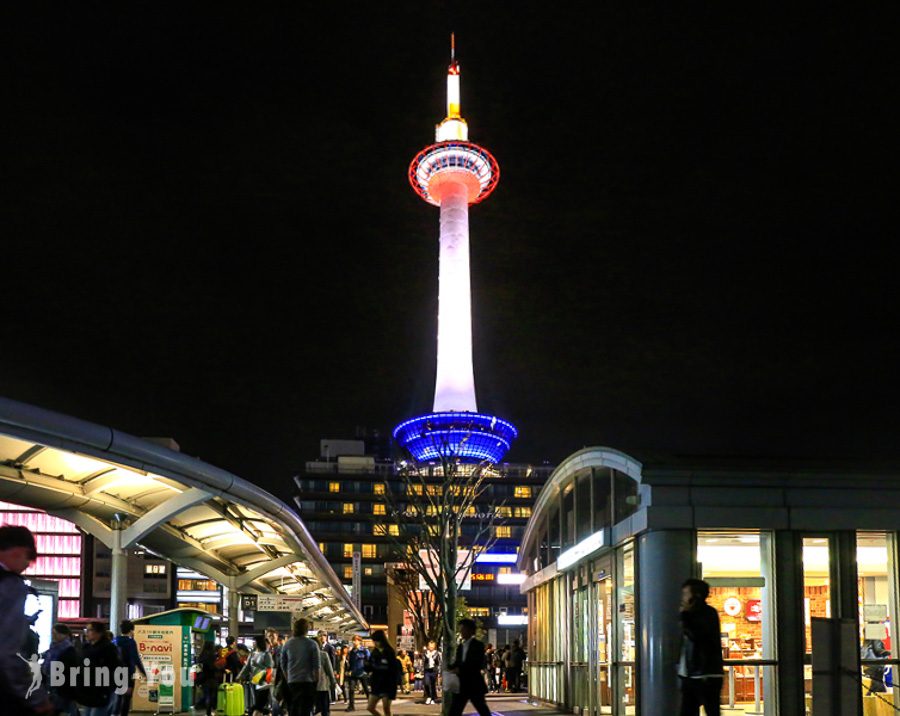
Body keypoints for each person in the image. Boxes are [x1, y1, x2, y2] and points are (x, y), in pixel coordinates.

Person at [0, 525, 53, 715]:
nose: (27, 565)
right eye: (28, 558)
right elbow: (7, 651)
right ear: (17, 552)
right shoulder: (10, 584)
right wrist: (36, 697)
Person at [678, 578, 724, 716]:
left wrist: (684, 616)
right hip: (691, 675)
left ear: (695, 597)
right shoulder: (695, 615)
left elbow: (698, 637)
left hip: (705, 675)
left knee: (711, 711)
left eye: (686, 594)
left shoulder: (707, 613)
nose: (683, 598)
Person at [77, 621, 123, 716]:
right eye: (87, 630)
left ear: (99, 632)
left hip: (102, 689)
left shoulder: (109, 648)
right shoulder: (86, 647)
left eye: (90, 630)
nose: (87, 633)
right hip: (88, 690)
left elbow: (116, 667)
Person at [447, 619, 491, 716]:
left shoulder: (478, 645)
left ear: (471, 631)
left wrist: (460, 669)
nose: (461, 631)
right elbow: (458, 662)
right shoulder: (461, 647)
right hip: (462, 684)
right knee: (455, 710)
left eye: (463, 629)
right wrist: (450, 667)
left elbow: (477, 663)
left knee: (482, 708)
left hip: (474, 683)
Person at [281, 618, 320, 716]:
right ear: (306, 629)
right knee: (306, 709)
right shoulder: (312, 644)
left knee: (293, 709)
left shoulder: (287, 644)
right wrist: (316, 682)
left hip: (292, 682)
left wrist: (288, 678)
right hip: (308, 682)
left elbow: (283, 664)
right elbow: (316, 666)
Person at [43, 623, 79, 716]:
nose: (53, 636)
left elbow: (69, 669)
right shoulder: (54, 648)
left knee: (65, 708)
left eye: (56, 633)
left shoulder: (68, 650)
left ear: (64, 635)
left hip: (62, 686)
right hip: (53, 685)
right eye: (53, 633)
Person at [113, 619, 147, 716]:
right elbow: (136, 659)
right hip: (128, 674)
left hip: (116, 673)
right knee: (127, 698)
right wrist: (144, 673)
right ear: (131, 630)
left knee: (118, 696)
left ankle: (114, 714)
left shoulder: (115, 641)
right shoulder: (131, 642)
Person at [240, 635, 274, 716]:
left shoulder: (266, 654)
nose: (253, 643)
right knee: (258, 705)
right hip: (254, 681)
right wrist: (240, 676)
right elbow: (247, 667)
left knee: (258, 705)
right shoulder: (252, 654)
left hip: (263, 682)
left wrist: (258, 666)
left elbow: (269, 668)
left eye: (254, 642)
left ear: (259, 643)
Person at [364, 630, 396, 716]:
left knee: (386, 708)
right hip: (376, 684)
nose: (375, 643)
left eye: (376, 641)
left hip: (387, 684)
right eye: (374, 641)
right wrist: (367, 665)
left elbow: (393, 669)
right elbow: (369, 667)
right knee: (370, 707)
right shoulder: (374, 652)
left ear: (381, 640)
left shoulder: (389, 651)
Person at [345, 635, 370, 711]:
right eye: (353, 640)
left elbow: (369, 661)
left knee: (366, 689)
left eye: (355, 640)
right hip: (353, 673)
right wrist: (348, 670)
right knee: (351, 689)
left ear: (359, 641)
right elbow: (350, 662)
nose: (354, 642)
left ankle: (371, 703)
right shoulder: (352, 651)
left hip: (363, 673)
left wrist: (368, 670)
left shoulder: (364, 650)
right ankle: (351, 706)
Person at [195, 641, 219, 716]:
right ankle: (211, 711)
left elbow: (198, 669)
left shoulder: (201, 656)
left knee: (207, 695)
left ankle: (207, 712)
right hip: (212, 678)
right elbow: (214, 667)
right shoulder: (213, 656)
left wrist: (198, 679)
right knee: (212, 695)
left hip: (203, 678)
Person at [315, 635, 337, 716]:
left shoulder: (307, 655)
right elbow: (329, 670)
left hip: (311, 685)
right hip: (323, 685)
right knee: (325, 708)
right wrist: (333, 681)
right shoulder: (323, 655)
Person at [422, 640, 441, 705]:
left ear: (434, 647)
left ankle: (433, 698)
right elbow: (423, 661)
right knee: (426, 683)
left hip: (434, 670)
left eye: (432, 647)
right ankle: (429, 696)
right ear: (428, 646)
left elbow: (439, 662)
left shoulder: (437, 653)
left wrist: (439, 672)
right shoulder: (425, 653)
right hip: (427, 670)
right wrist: (427, 655)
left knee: (433, 685)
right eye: (430, 646)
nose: (431, 648)